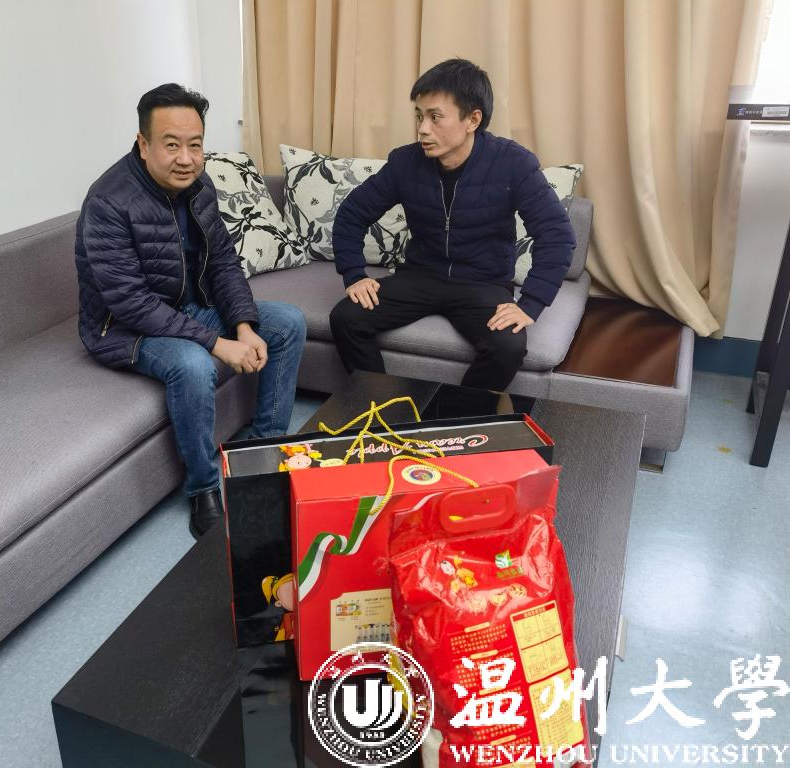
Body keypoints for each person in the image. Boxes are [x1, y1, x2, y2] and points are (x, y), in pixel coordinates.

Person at [75, 83, 306, 538]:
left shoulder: (200, 186)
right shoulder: (107, 202)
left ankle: (262, 452)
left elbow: (222, 263)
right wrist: (218, 343)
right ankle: (203, 489)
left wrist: (244, 326)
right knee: (194, 365)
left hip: (186, 308)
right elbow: (131, 303)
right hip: (123, 328)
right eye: (171, 145)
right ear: (143, 144)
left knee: (287, 323)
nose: (186, 158)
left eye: (195, 145)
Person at [329, 58, 576, 392]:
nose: (422, 129)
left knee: (508, 346)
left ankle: (451, 416)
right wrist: (354, 274)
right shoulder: (405, 162)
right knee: (346, 318)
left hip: (483, 283)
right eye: (419, 116)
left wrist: (530, 304)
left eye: (435, 117)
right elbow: (351, 214)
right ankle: (385, 407)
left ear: (472, 119)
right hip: (420, 277)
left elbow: (557, 235)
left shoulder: (512, 163)